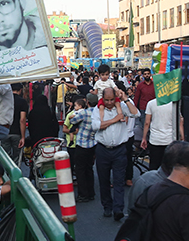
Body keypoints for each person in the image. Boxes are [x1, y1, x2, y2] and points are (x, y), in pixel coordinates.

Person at [91, 88, 139, 220]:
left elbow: (136, 114)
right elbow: (96, 126)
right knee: (104, 180)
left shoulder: (121, 106)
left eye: (112, 99)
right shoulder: (97, 109)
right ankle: (107, 206)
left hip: (119, 149)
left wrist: (126, 99)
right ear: (103, 99)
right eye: (107, 100)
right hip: (103, 149)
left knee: (119, 180)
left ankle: (118, 209)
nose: (109, 102)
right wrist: (115, 119)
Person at [65, 96, 98, 202]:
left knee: (80, 170)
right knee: (89, 168)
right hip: (93, 143)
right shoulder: (98, 112)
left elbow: (73, 121)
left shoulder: (84, 113)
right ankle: (91, 192)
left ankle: (83, 194)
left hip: (82, 143)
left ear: (87, 102)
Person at [141, 98, 176, 173]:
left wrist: (144, 138)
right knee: (169, 166)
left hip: (155, 139)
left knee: (154, 165)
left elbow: (147, 122)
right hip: (170, 139)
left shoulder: (151, 103)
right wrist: (181, 137)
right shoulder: (173, 104)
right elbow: (180, 121)